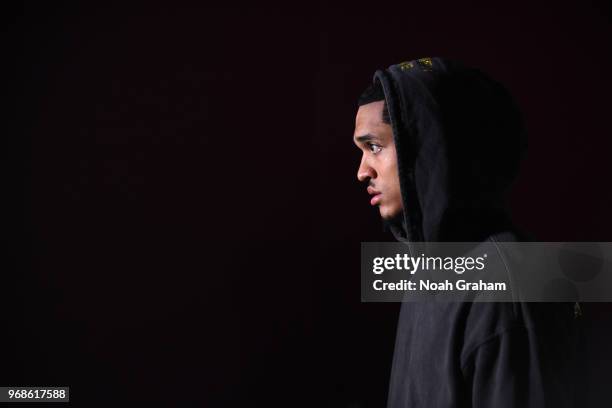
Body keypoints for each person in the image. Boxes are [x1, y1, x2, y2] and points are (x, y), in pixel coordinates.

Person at [354, 57, 583, 407]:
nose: (362, 171)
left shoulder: (509, 285)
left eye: (375, 147)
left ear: (430, 145)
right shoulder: (429, 269)